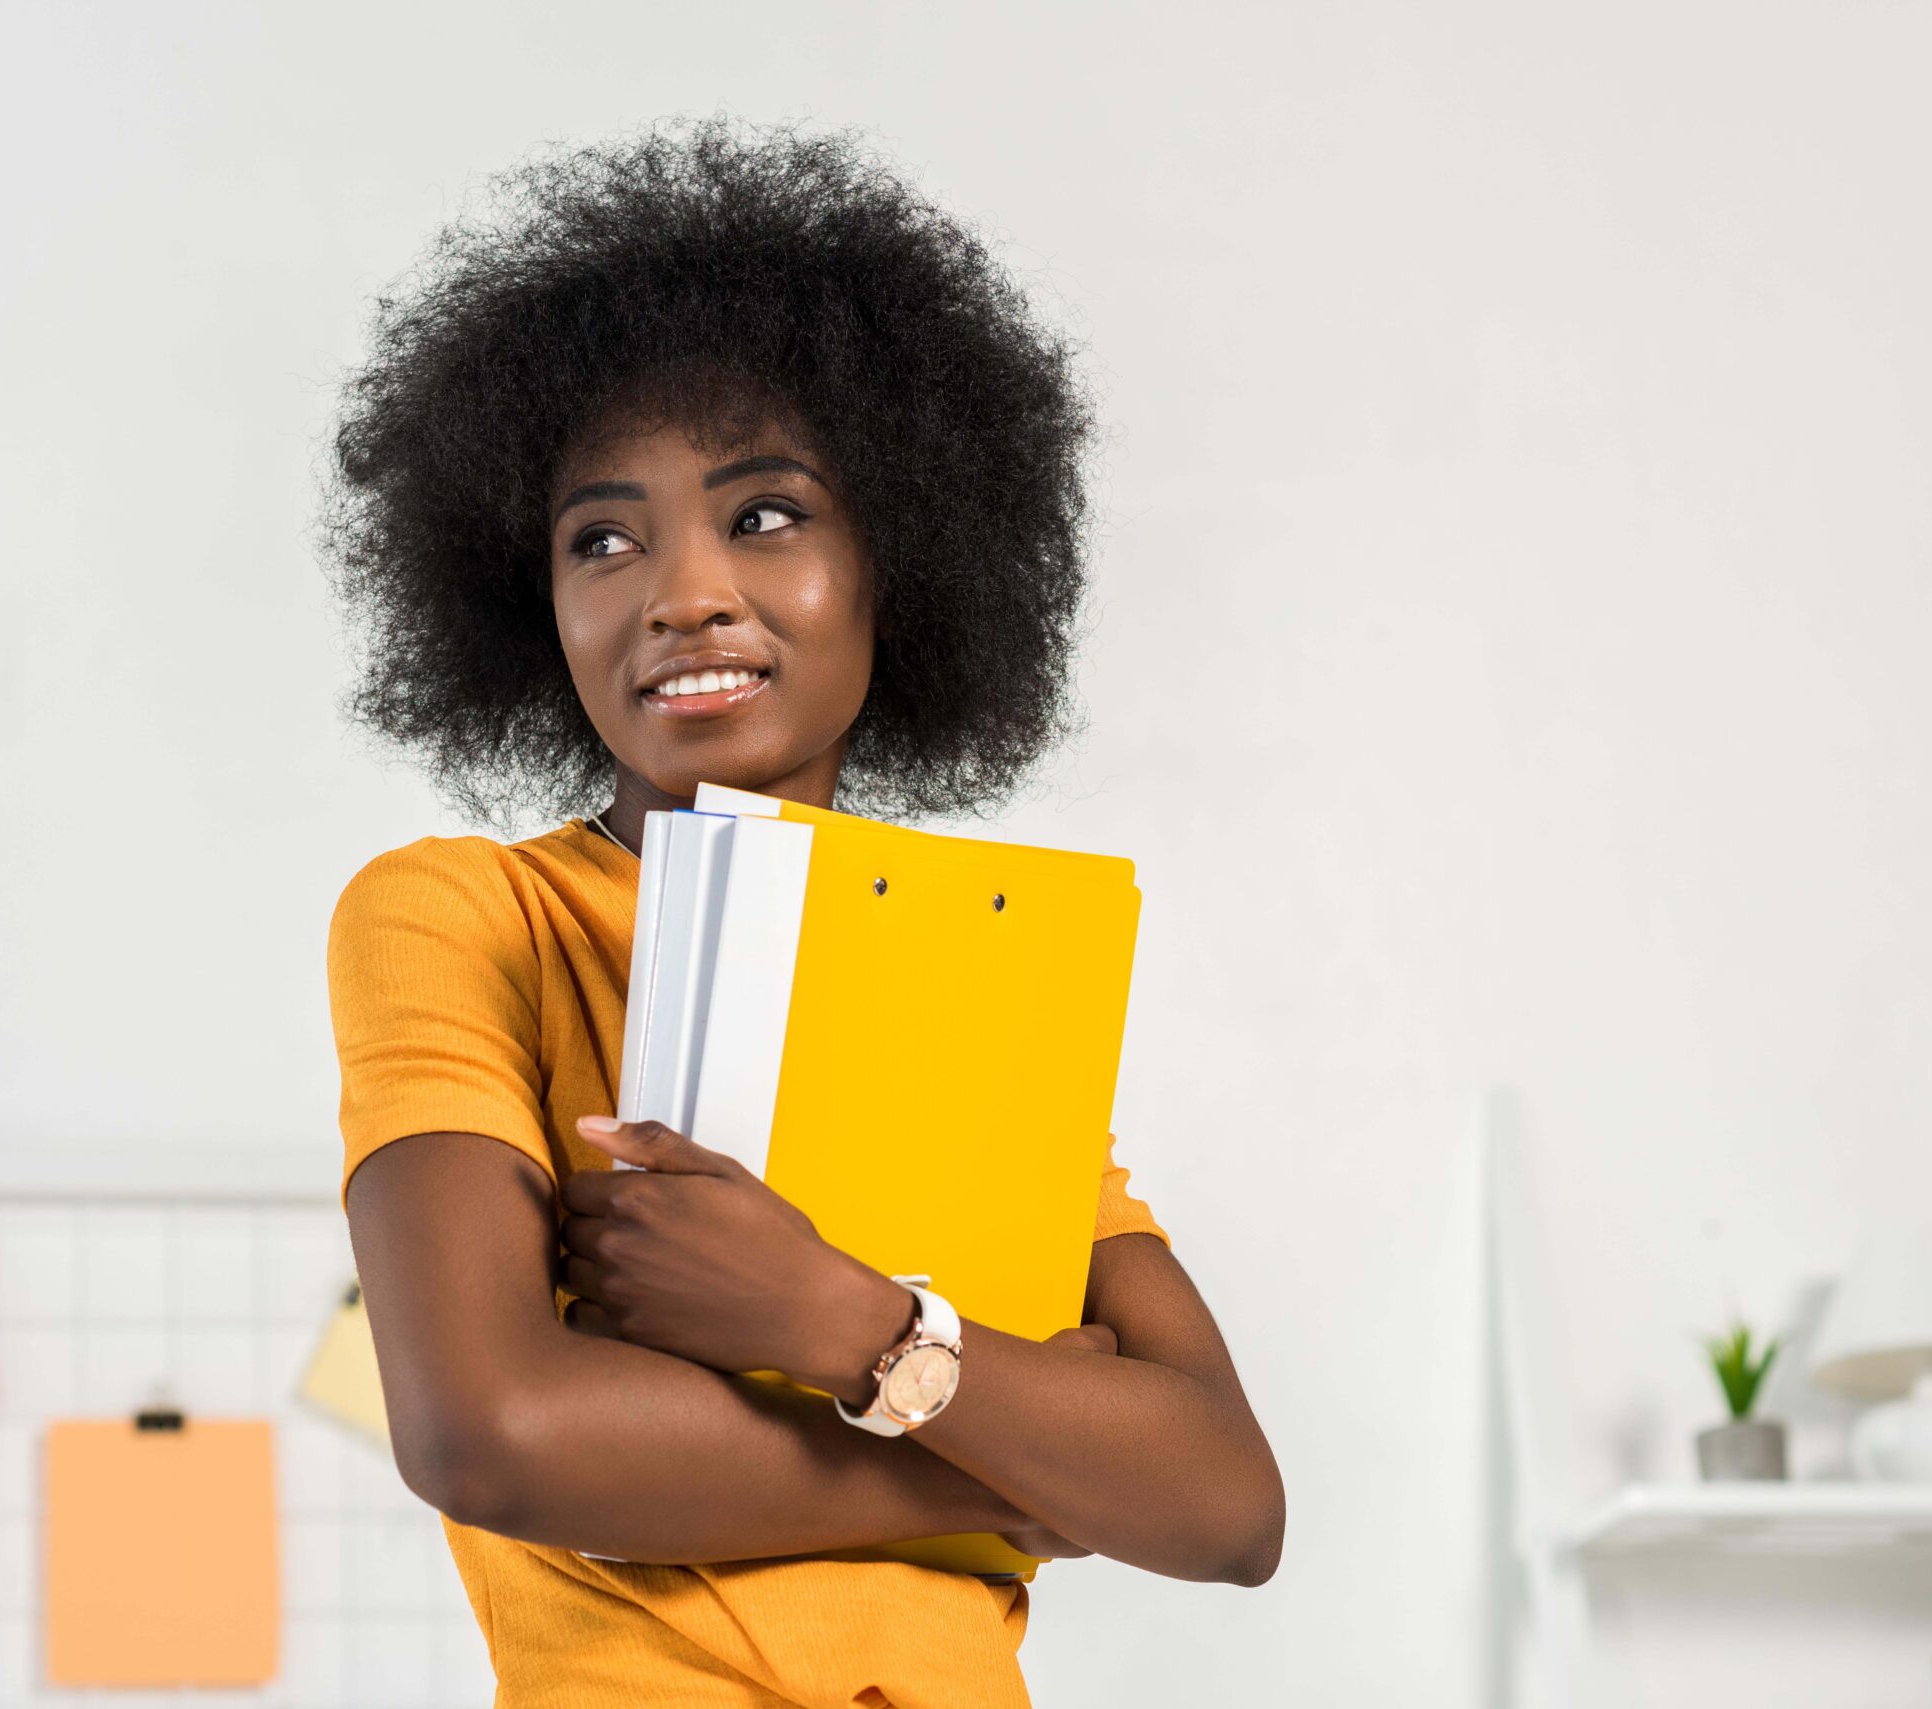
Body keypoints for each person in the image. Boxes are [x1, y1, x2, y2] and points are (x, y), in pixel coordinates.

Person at [322, 117, 1283, 1709]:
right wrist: (1009, 1462)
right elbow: (488, 1427)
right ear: (531, 603)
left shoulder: (969, 963)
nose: (680, 589)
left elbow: (1227, 1498)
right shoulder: (464, 917)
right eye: (602, 537)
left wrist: (834, 1320)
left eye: (763, 513)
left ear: (895, 553)